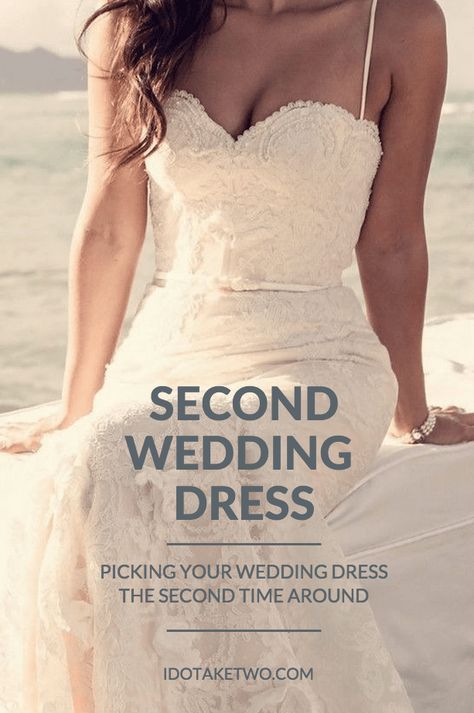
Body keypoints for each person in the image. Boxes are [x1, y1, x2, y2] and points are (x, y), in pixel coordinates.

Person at [0, 0, 472, 711]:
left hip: (317, 360)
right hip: (167, 353)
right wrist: (75, 402)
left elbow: (393, 239)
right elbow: (108, 229)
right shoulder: (135, 27)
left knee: (124, 452)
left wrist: (414, 411)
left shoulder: (399, 25)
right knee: (97, 454)